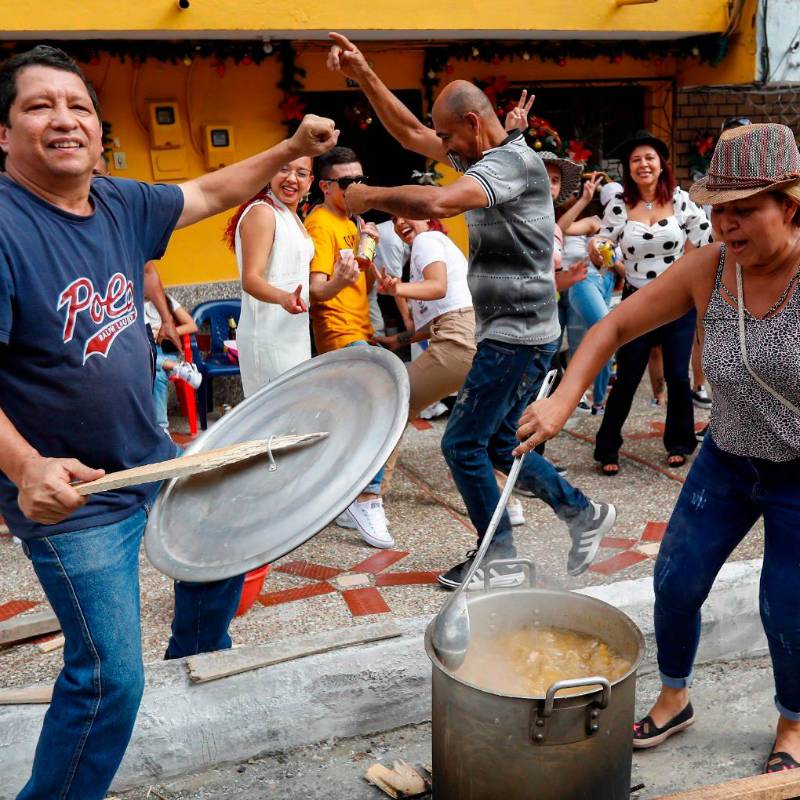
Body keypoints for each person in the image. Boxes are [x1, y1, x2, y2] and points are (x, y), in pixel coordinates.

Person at [0, 45, 338, 800]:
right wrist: (26, 468)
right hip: (75, 495)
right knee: (108, 681)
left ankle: (191, 663)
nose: (64, 119)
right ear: (4, 133)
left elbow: (211, 189)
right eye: (38, 106)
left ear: (96, 125)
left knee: (229, 548)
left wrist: (289, 148)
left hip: (153, 456)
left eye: (78, 105)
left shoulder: (119, 202)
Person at [514, 122, 800, 774]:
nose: (727, 225)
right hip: (726, 461)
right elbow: (613, 324)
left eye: (745, 210)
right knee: (673, 583)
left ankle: (792, 723)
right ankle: (676, 697)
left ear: (789, 204)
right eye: (719, 210)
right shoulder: (710, 269)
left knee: (788, 610)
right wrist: (562, 400)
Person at [327, 33, 617, 588]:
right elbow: (411, 133)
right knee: (500, 443)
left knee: (461, 444)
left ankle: (500, 559)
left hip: (518, 333)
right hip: (515, 331)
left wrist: (368, 197)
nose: (441, 144)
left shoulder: (510, 164)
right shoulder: (483, 151)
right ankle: (583, 514)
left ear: (475, 125)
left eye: (448, 134)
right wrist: (363, 73)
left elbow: (437, 202)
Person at [589, 130, 712, 475]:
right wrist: (599, 251)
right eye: (636, 160)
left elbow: (704, 237)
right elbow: (603, 241)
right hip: (636, 300)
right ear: (628, 169)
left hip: (677, 300)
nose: (643, 165)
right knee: (627, 376)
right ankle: (607, 447)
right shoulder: (618, 205)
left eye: (650, 158)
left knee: (677, 374)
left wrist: (690, 273)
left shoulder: (679, 199)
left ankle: (679, 443)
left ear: (661, 165)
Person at [305, 146, 393, 549]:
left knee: (356, 418)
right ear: (325, 186)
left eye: (361, 179)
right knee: (377, 413)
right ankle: (367, 498)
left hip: (362, 327)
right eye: (346, 182)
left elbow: (363, 284)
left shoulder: (354, 220)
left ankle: (349, 498)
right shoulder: (320, 223)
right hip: (339, 331)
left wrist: (368, 251)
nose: (356, 187)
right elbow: (318, 290)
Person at [373, 216, 475, 493]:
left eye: (408, 214)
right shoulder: (437, 245)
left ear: (429, 218)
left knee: (393, 404)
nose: (401, 222)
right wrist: (400, 339)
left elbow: (437, 287)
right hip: (466, 338)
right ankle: (502, 501)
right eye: (395, 218)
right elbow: (440, 315)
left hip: (456, 342)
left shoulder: (426, 240)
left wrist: (397, 289)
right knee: (471, 434)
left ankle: (370, 494)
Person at [224, 156, 315, 396]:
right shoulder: (263, 212)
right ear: (269, 172)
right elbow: (251, 280)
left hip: (292, 332)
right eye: (283, 169)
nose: (292, 178)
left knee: (293, 414)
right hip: (267, 337)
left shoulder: (291, 215)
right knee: (276, 419)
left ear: (310, 181)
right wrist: (284, 298)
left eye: (301, 173)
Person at [144, 289, 201, 431]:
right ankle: (177, 367)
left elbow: (192, 325)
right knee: (151, 366)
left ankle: (161, 428)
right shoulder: (129, 302)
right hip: (144, 352)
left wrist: (166, 331)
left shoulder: (165, 300)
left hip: (165, 350)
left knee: (157, 373)